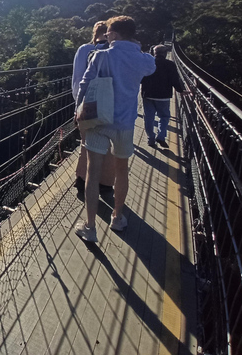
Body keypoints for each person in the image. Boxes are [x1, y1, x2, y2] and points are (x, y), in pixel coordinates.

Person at [74, 16, 156, 243]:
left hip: (99, 120)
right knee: (122, 170)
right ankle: (117, 217)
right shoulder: (141, 60)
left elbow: (84, 84)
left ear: (117, 34)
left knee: (93, 173)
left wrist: (78, 112)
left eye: (109, 33)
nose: (106, 36)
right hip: (125, 123)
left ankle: (90, 227)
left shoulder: (101, 56)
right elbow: (152, 63)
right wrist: (138, 47)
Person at [72, 22, 116, 195]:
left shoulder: (84, 50)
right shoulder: (115, 53)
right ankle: (105, 184)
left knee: (87, 144)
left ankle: (82, 181)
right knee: (110, 146)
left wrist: (78, 105)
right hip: (112, 106)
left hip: (87, 104)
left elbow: (78, 79)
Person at [141, 44, 188, 148]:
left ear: (154, 53)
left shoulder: (148, 63)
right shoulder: (170, 64)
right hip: (163, 96)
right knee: (164, 116)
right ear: (165, 54)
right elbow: (174, 80)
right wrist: (180, 90)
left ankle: (151, 139)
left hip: (148, 94)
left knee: (149, 118)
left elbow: (141, 78)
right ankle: (161, 136)